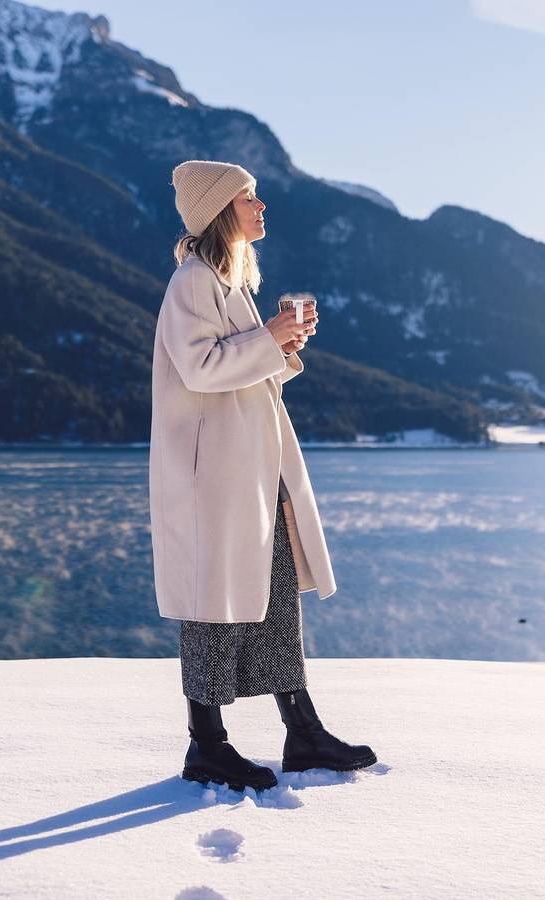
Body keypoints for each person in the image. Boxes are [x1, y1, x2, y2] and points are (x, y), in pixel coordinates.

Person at [149, 159, 376, 792]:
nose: (262, 205)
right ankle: (207, 746)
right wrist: (268, 340)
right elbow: (199, 369)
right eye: (250, 197)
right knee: (212, 607)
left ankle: (302, 732)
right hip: (213, 478)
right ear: (222, 210)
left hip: (250, 472)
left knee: (274, 601)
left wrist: (282, 347)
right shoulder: (193, 282)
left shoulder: (231, 283)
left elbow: (238, 370)